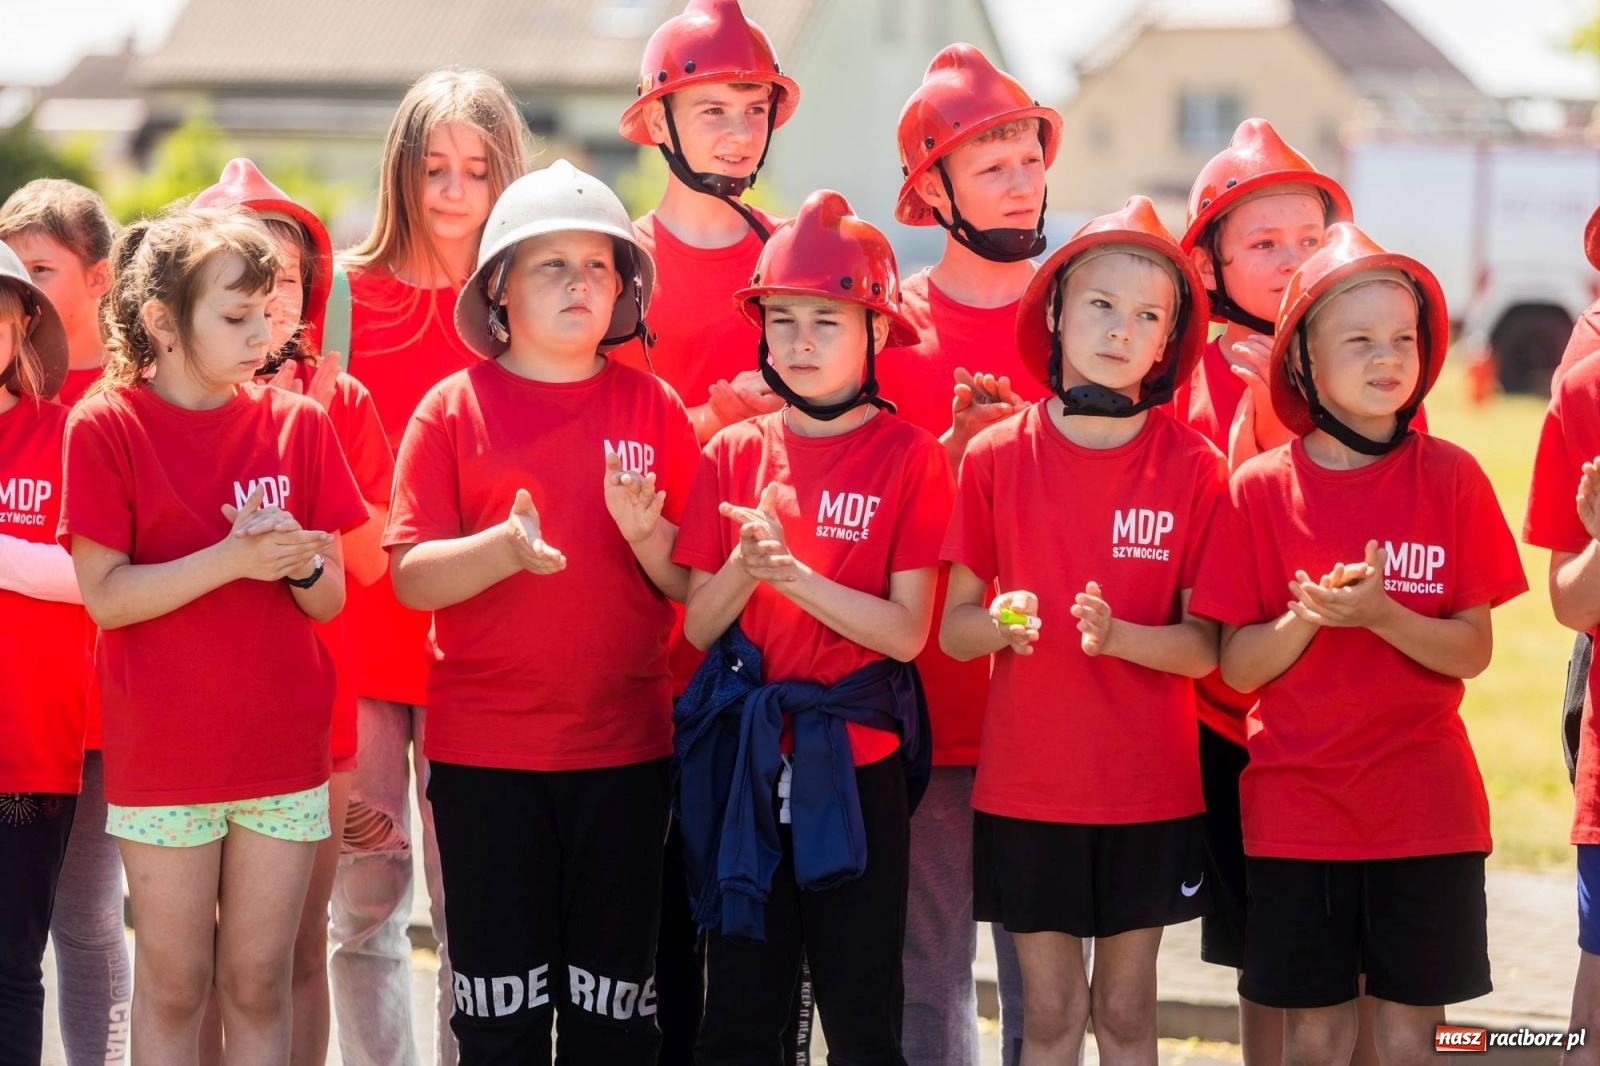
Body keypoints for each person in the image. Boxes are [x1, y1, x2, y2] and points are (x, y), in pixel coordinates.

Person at [1192, 223, 1527, 1066]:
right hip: (1298, 814)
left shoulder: (1451, 477)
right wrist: (1307, 620)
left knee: (1413, 1030)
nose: (1388, 358)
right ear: (1301, 359)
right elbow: (1236, 665)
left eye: (1403, 339)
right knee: (1318, 1032)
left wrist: (1384, 617)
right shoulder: (1260, 491)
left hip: (1427, 810)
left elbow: (1472, 650)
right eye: (1360, 340)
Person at [385, 159, 696, 1060]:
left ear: (625, 290)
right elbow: (409, 577)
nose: (578, 283)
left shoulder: (656, 408)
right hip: (488, 760)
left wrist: (649, 539)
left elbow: (697, 587)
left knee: (612, 1016)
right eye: (549, 265)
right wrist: (501, 551)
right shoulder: (451, 411)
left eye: (599, 266)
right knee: (500, 1019)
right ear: (499, 290)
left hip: (627, 754)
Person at [60, 207, 367, 1062]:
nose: (263, 333)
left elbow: (331, 598)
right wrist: (235, 558)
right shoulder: (104, 426)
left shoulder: (299, 424)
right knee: (172, 985)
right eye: (236, 316)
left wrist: (296, 562)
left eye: (269, 313)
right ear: (161, 319)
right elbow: (108, 598)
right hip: (163, 760)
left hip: (281, 756)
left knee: (259, 981)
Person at [941, 196, 1222, 1066]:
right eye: (1101, 304)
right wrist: (998, 624)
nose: (1120, 330)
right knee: (1053, 1016)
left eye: (1148, 316)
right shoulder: (994, 458)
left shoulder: (1194, 466)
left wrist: (1122, 637)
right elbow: (951, 631)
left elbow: (1209, 645)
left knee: (1130, 1015)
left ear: (1168, 342)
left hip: (1151, 789)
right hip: (1029, 791)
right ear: (1057, 311)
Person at [674, 189, 951, 1065]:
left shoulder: (910, 456)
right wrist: (745, 572)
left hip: (856, 764)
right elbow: (697, 629)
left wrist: (793, 576)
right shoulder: (731, 452)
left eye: (826, 321)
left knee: (862, 1010)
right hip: (748, 764)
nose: (799, 341)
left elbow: (907, 635)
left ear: (875, 333)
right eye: (783, 318)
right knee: (741, 1015)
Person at [330, 68, 532, 1066]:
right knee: (365, 903)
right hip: (358, 643)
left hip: (476, 647)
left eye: (477, 171)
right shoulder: (338, 300)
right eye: (433, 168)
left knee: (474, 909)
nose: (453, 192)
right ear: (399, 173)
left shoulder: (525, 304)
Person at [190, 157, 396, 1066]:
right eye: (237, 275)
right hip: (189, 718)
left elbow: (369, 559)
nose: (263, 298)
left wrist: (301, 470)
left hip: (316, 719)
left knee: (290, 957)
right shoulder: (156, 409)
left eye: (278, 277)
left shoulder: (336, 403)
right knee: (190, 962)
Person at [879, 43, 1061, 1066]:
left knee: (1050, 1002)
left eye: (1030, 157)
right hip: (930, 720)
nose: (1023, 180)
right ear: (931, 189)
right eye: (993, 164)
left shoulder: (1091, 317)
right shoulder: (888, 328)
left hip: (1061, 721)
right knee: (924, 989)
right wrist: (943, 465)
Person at [0, 179, 132, 1065]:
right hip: (31, 718)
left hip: (91, 703)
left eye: (43, 269)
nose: (30, 288)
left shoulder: (123, 397)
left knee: (83, 919)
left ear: (100, 276)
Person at [0, 237, 86, 1065]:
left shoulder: (68, 434)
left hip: (26, 755)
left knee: (10, 969)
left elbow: (99, 577)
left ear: (23, 322)